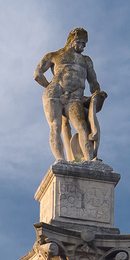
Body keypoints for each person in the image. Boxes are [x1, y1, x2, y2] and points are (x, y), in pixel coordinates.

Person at [34, 28, 107, 162]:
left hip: (75, 98)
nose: (83, 47)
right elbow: (37, 74)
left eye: (85, 44)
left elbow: (94, 83)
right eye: (81, 42)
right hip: (54, 94)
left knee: (83, 127)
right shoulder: (54, 55)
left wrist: (98, 95)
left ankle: (90, 160)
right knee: (55, 126)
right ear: (72, 40)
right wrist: (51, 86)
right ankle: (60, 160)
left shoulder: (86, 61)